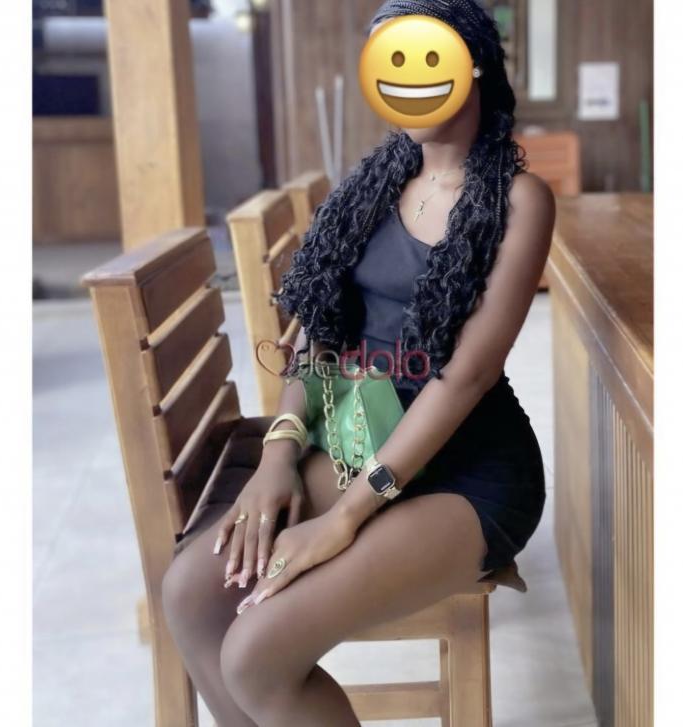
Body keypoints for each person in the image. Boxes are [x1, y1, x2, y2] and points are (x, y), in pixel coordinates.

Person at [161, 1, 555, 724]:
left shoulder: (520, 200)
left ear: (470, 63)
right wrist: (279, 454)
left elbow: (464, 377)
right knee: (190, 593)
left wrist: (345, 515)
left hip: (466, 470)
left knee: (257, 653)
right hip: (360, 431)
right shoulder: (370, 186)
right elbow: (319, 337)